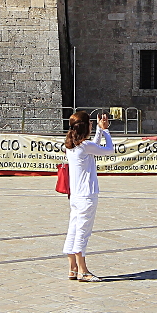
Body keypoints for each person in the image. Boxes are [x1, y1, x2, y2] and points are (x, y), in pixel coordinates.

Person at [63, 110, 114, 282]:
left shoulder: (72, 146)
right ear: (85, 127)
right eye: (91, 123)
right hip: (87, 196)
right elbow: (108, 150)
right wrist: (106, 130)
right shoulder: (85, 146)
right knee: (82, 232)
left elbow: (94, 148)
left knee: (73, 230)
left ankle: (72, 268)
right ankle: (83, 270)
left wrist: (99, 130)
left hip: (76, 196)